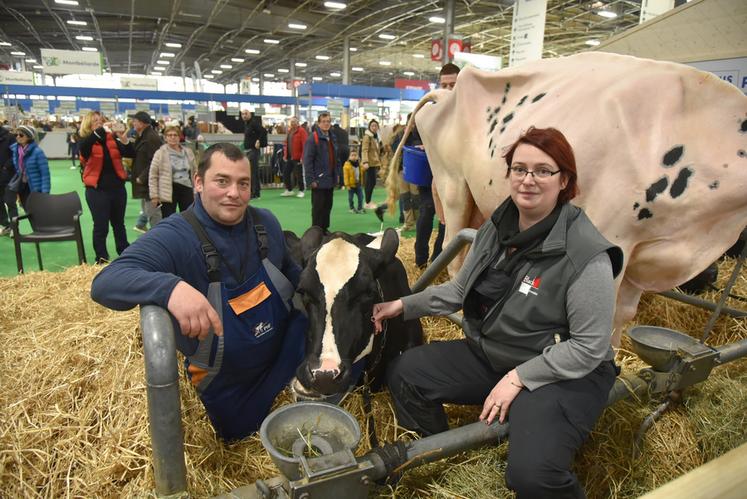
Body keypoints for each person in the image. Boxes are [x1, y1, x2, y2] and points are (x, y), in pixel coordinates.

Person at [372, 127, 624, 499]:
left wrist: (520, 378)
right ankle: (449, 454)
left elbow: (588, 348)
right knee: (406, 373)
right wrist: (403, 305)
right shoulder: (497, 226)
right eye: (519, 169)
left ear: (564, 180)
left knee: (532, 476)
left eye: (543, 171)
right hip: (496, 353)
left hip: (562, 375)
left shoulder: (585, 255)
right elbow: (459, 291)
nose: (528, 180)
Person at [91, 143, 306, 441]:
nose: (234, 193)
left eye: (243, 183)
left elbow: (297, 280)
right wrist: (171, 288)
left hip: (284, 359)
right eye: (222, 181)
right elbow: (106, 282)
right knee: (236, 434)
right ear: (198, 182)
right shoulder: (176, 236)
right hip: (231, 390)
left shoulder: (265, 223)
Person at [78, 112, 130, 264]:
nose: (99, 123)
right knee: (101, 226)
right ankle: (101, 258)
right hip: (97, 190)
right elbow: (84, 151)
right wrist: (101, 130)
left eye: (101, 121)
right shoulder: (85, 141)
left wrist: (123, 138)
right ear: (88, 125)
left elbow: (129, 152)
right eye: (95, 121)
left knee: (119, 224)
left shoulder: (111, 139)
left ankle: (125, 253)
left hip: (118, 188)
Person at [120, 111, 162, 233]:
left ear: (142, 123)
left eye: (135, 121)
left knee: (154, 214)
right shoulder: (143, 136)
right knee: (148, 211)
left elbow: (156, 161)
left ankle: (159, 239)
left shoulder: (151, 138)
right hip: (145, 181)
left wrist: (142, 177)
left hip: (150, 182)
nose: (133, 123)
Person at [149, 124, 197, 218]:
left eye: (175, 135)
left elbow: (195, 171)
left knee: (190, 217)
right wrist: (154, 195)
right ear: (165, 138)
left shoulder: (188, 152)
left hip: (187, 187)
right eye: (169, 135)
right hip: (168, 190)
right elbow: (153, 175)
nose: (172, 137)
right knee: (168, 219)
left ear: (179, 137)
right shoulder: (160, 153)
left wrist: (197, 189)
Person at [303, 112, 339, 233]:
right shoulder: (313, 138)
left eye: (328, 121)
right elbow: (307, 160)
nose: (326, 124)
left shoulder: (332, 137)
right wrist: (311, 180)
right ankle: (316, 231)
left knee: (328, 206)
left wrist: (336, 176)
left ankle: (324, 229)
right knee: (318, 208)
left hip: (330, 179)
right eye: (324, 121)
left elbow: (335, 158)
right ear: (318, 123)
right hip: (318, 180)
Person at [8, 125, 50, 209]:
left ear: (29, 137)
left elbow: (45, 174)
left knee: (36, 213)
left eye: (21, 135)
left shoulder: (37, 152)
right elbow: (18, 170)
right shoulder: (16, 150)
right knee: (27, 210)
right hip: (22, 187)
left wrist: (45, 192)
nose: (18, 137)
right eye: (16, 135)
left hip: (35, 188)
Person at [241, 109, 268, 199]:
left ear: (250, 114)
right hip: (248, 151)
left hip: (253, 151)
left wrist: (258, 140)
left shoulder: (253, 123)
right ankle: (255, 192)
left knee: (253, 172)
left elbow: (264, 131)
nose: (244, 115)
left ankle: (255, 193)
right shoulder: (247, 124)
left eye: (246, 114)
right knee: (252, 172)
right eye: (243, 114)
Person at [281, 116, 308, 198]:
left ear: (297, 123)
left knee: (299, 175)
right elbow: (286, 144)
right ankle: (289, 190)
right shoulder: (290, 131)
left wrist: (302, 157)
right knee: (286, 173)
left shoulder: (302, 131)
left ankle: (301, 190)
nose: (292, 124)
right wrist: (285, 155)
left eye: (294, 122)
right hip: (289, 157)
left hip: (298, 158)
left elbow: (305, 145)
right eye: (291, 122)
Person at [361, 119, 383, 209]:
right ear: (369, 127)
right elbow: (364, 150)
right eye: (372, 126)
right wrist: (365, 161)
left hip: (374, 163)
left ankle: (368, 200)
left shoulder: (376, 137)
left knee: (372, 182)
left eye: (375, 126)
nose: (374, 127)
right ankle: (367, 202)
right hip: (369, 163)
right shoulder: (367, 137)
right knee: (369, 183)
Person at [343, 148, 364, 214]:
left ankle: (360, 208)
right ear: (349, 157)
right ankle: (351, 208)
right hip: (351, 185)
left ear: (357, 156)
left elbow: (362, 172)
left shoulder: (359, 164)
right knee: (350, 198)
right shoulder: (346, 165)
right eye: (352, 155)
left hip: (358, 184)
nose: (354, 157)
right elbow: (346, 176)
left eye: (355, 155)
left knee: (361, 197)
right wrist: (347, 185)